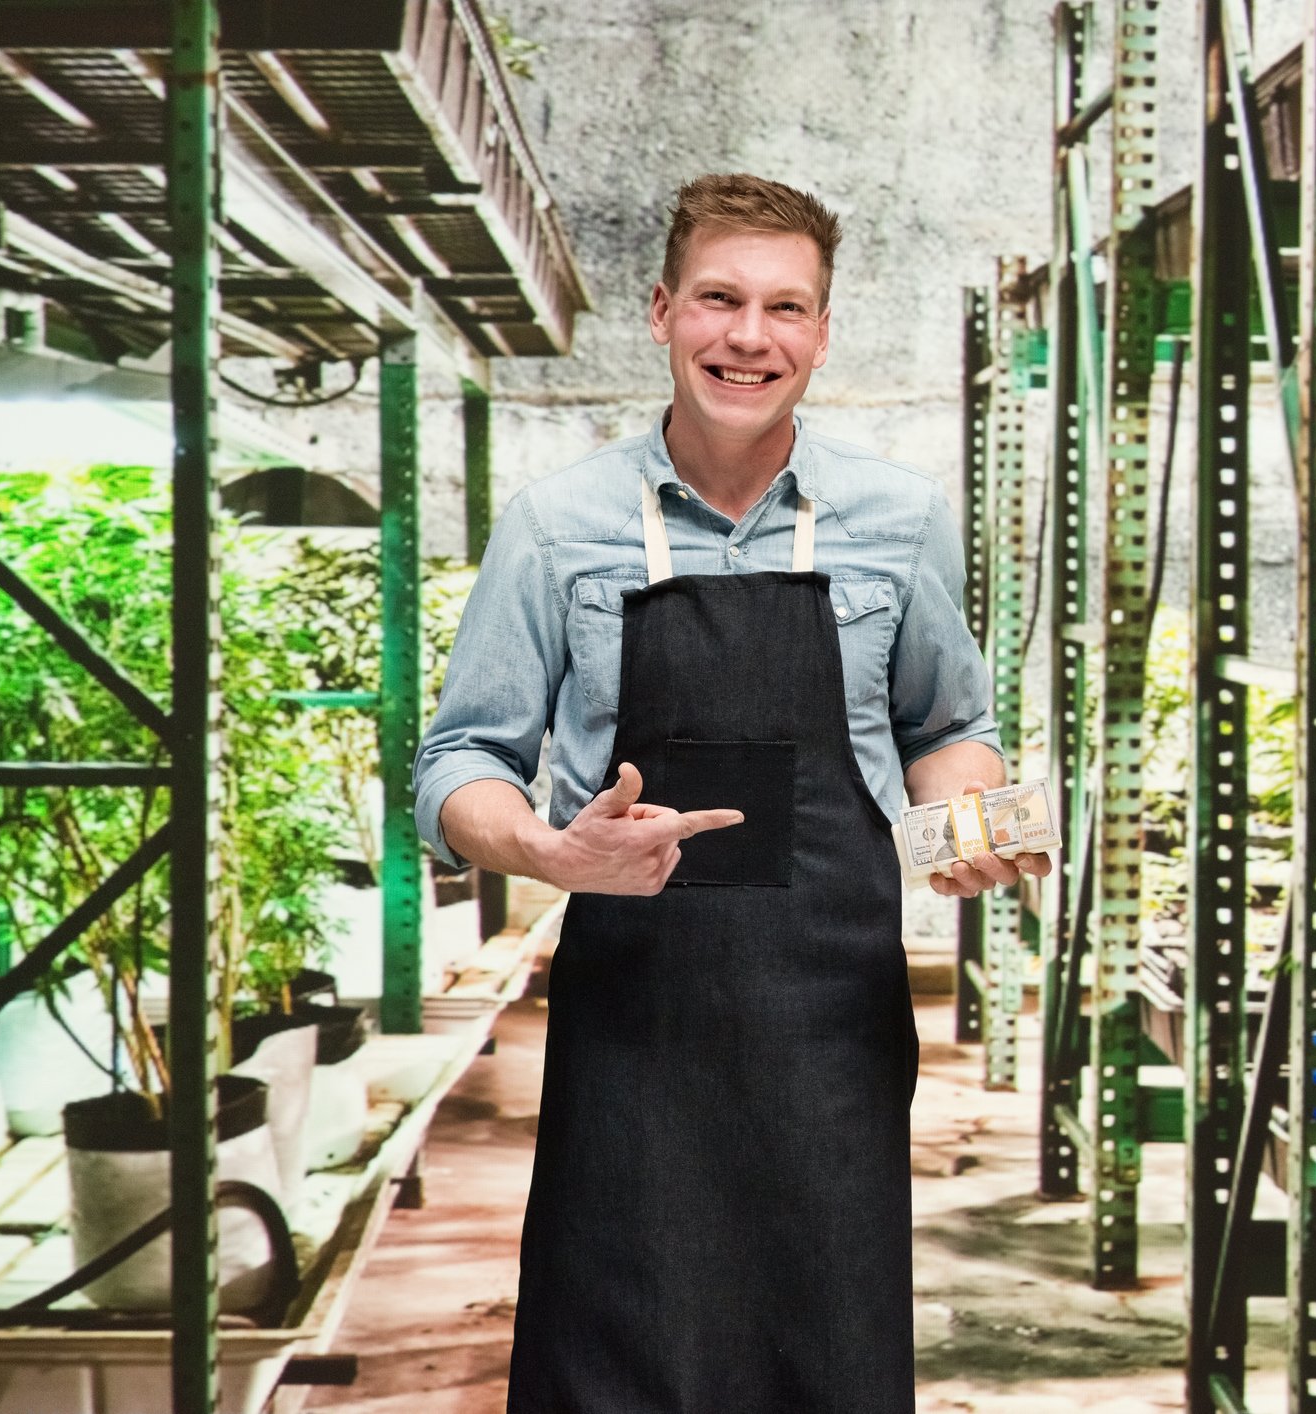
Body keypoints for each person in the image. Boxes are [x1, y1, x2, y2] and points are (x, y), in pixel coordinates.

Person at [413, 171, 1053, 1413]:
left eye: (783, 308)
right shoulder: (558, 526)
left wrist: (962, 819)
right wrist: (550, 850)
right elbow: (458, 762)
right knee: (617, 1358)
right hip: (635, 1023)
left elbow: (947, 722)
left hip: (830, 1029)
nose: (747, 337)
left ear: (819, 331)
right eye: (718, 299)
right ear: (661, 312)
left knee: (825, 1356)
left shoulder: (898, 521)